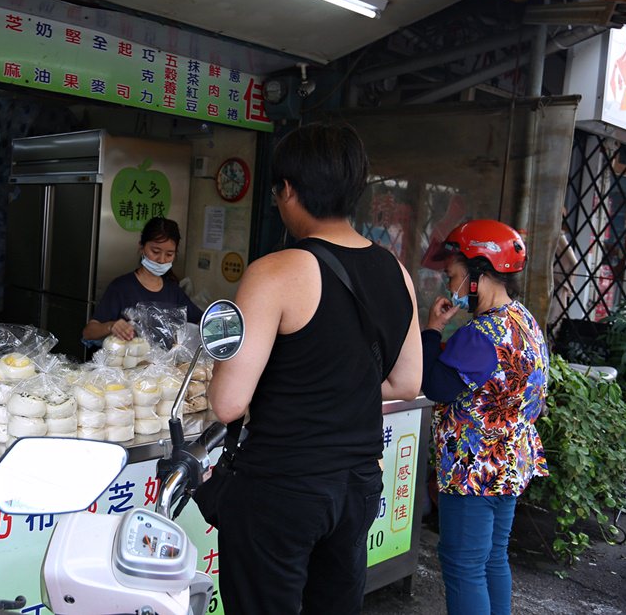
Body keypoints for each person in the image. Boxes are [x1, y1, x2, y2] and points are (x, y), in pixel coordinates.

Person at [207, 123, 423, 614]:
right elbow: (408, 383)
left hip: (282, 489)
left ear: (288, 190)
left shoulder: (275, 272)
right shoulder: (397, 271)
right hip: (358, 487)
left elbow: (227, 404)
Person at [421, 219, 548, 615]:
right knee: (492, 559)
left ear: (478, 273)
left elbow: (435, 385)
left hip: (473, 470)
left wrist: (432, 329)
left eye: (453, 275)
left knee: (463, 566)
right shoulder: (523, 321)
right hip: (509, 464)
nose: (450, 285)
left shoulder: (481, 334)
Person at [82, 217, 201, 343]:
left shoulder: (173, 290)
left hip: (165, 362)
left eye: (169, 254)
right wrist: (112, 326)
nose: (161, 260)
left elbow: (201, 320)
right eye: (155, 251)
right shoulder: (121, 287)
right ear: (142, 247)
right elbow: (88, 332)